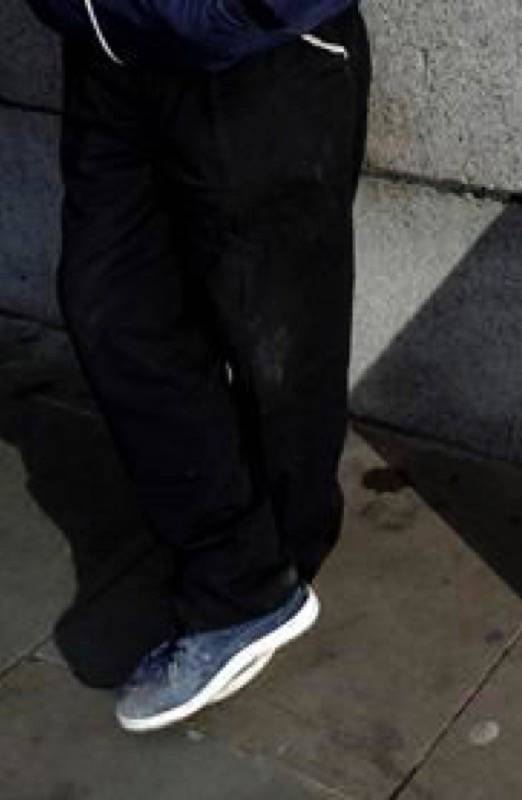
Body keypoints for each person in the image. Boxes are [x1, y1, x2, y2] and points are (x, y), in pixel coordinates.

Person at [23, 0, 371, 732]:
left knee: (277, 339)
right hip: (108, 51)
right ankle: (243, 578)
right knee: (109, 305)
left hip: (258, 54)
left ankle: (266, 575)